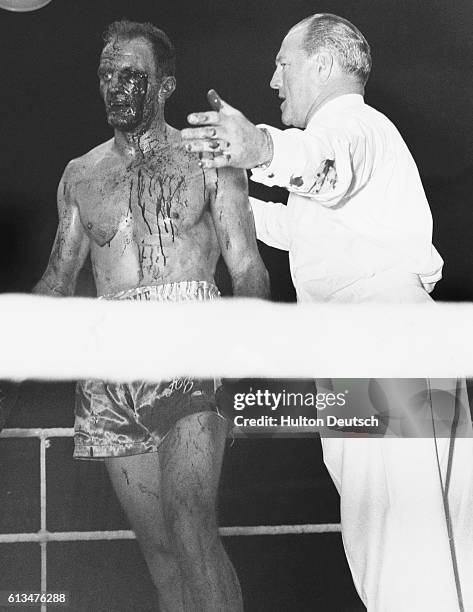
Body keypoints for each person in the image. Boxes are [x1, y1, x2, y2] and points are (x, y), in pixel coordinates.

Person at [181, 13, 473, 612]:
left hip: (387, 346)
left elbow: (321, 163)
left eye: (282, 63)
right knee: (394, 542)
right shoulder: (352, 157)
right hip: (371, 351)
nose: (272, 79)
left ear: (322, 64)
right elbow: (304, 224)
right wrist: (226, 197)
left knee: (410, 544)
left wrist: (257, 147)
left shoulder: (356, 126)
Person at [34, 19, 269, 612]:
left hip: (190, 347)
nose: (115, 87)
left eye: (131, 76)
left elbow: (248, 269)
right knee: (162, 557)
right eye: (107, 76)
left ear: (165, 85)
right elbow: (59, 280)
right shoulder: (81, 175)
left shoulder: (209, 161)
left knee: (190, 526)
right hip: (111, 369)